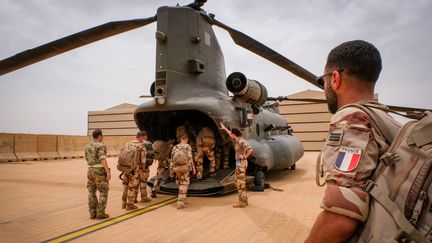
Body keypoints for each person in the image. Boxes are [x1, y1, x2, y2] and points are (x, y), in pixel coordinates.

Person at [305, 40, 400, 242]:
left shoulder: (351, 118)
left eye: (324, 80)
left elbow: (341, 217)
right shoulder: (385, 117)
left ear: (335, 79)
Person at [220, 122, 253, 208]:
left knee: (240, 183)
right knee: (237, 181)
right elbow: (230, 134)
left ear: (235, 134)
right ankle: (244, 199)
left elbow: (250, 149)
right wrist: (224, 128)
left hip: (241, 163)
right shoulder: (237, 140)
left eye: (232, 133)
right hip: (238, 163)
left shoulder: (242, 141)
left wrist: (245, 156)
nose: (231, 134)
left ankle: (242, 202)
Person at [85, 129, 111, 219]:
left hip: (90, 170)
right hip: (99, 171)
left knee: (91, 192)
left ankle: (92, 213)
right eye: (102, 136)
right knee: (103, 191)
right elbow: (102, 159)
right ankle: (100, 212)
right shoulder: (101, 145)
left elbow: (87, 158)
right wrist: (107, 171)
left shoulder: (88, 146)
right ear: (99, 136)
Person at [121, 131, 147, 210]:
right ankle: (130, 204)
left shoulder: (128, 144)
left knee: (125, 185)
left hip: (126, 168)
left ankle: (123, 203)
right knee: (132, 187)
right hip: (135, 169)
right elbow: (143, 161)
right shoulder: (141, 146)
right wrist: (143, 170)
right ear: (141, 137)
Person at [170, 134, 196, 209]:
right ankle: (180, 202)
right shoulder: (187, 147)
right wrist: (193, 169)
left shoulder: (175, 147)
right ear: (186, 139)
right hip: (185, 168)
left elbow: (171, 160)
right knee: (184, 184)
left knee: (180, 183)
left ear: (181, 139)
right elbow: (190, 159)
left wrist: (171, 171)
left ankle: (183, 199)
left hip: (176, 168)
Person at [135, 131, 152, 203]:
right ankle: (143, 197)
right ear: (145, 136)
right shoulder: (148, 144)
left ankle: (133, 198)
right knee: (143, 182)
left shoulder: (133, 143)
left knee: (135, 182)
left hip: (134, 167)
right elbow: (151, 156)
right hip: (144, 166)